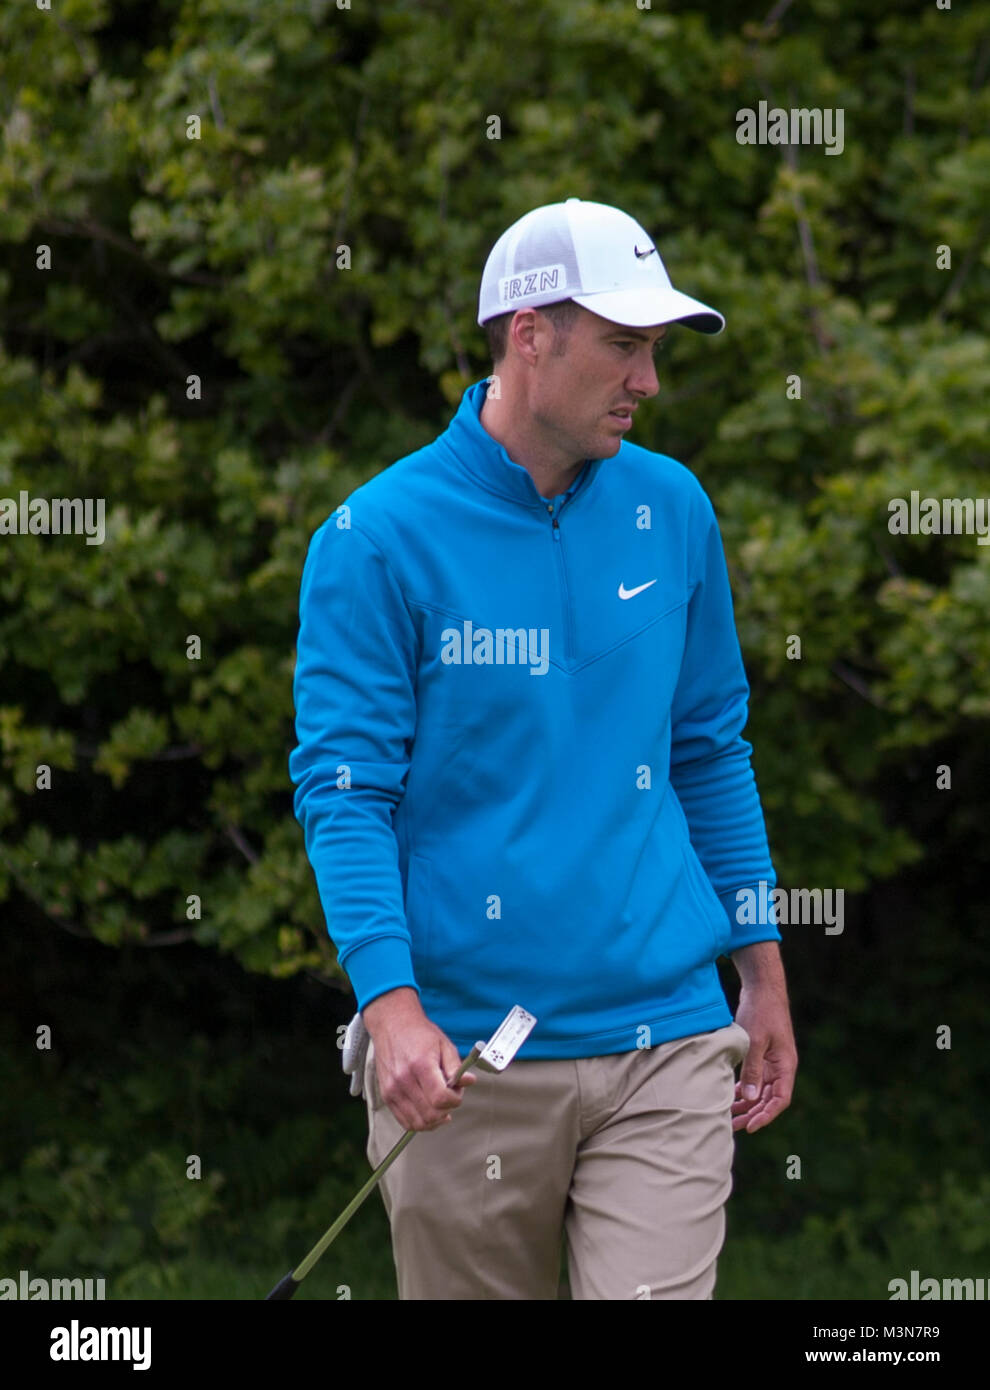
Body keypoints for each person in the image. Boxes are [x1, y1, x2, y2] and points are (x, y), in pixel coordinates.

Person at [289, 197, 798, 1300]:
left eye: (654, 349)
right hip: (466, 1062)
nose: (647, 380)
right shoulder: (374, 539)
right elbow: (344, 794)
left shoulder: (675, 509)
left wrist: (760, 970)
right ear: (530, 333)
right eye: (623, 344)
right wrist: (391, 1006)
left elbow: (710, 748)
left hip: (668, 1031)